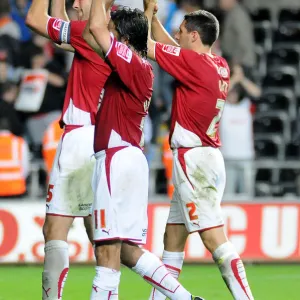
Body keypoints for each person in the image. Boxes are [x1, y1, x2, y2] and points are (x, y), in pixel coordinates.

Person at [83, 0, 203, 299]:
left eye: (114, 32)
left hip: (116, 156)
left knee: (107, 251)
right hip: (130, 157)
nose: (106, 35)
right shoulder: (140, 66)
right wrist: (145, 14)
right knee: (126, 249)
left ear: (123, 40)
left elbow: (95, 30)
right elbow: (91, 34)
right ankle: (184, 298)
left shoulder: (130, 61)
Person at [144, 1, 254, 299]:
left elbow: (149, 46)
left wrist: (145, 14)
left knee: (213, 238)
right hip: (207, 157)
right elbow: (172, 51)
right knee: (173, 237)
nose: (176, 35)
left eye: (180, 31)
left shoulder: (192, 64)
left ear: (194, 35)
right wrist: (156, 19)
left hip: (194, 160)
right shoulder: (218, 64)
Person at [25, 0, 112, 298]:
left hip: (79, 141)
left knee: (54, 231)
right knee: (102, 237)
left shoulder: (87, 34)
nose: (76, 3)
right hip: (104, 142)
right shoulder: (113, 40)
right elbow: (59, 28)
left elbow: (36, 19)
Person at [220, 64, 261, 199]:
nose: (232, 95)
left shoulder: (247, 106)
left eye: (235, 92)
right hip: (227, 157)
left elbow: (257, 93)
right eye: (231, 92)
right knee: (228, 195)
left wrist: (241, 79)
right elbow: (220, 93)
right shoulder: (222, 107)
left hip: (246, 157)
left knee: (248, 196)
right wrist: (234, 79)